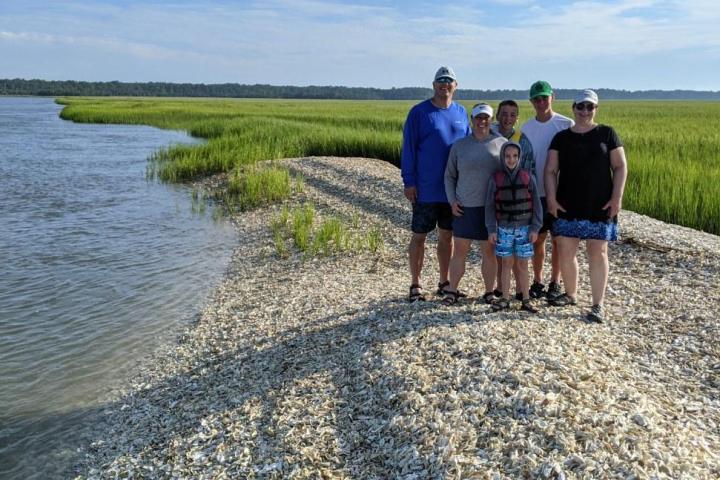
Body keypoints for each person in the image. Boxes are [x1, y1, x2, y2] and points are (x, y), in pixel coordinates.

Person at [544, 89, 628, 323]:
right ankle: (571, 294)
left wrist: (617, 197)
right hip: (566, 203)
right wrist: (551, 199)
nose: (584, 111)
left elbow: (620, 167)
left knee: (598, 252)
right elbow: (550, 170)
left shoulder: (607, 134)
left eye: (589, 107)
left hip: (600, 204)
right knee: (566, 251)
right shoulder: (561, 138)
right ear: (573, 107)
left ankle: (597, 304)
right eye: (580, 106)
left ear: (596, 109)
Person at [401, 66, 472, 302]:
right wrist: (408, 181)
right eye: (440, 81)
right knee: (419, 236)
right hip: (425, 188)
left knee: (447, 237)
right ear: (434, 85)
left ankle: (444, 281)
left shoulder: (462, 113)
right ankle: (415, 284)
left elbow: (470, 148)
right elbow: (409, 149)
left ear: (456, 85)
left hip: (452, 191)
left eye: (449, 81)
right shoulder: (419, 113)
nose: (445, 84)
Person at [441, 103, 506, 306]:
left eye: (485, 117)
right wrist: (452, 200)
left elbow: (510, 174)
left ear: (491, 119)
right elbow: (449, 176)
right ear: (472, 120)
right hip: (464, 207)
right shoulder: (459, 146)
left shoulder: (501, 144)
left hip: (489, 209)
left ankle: (488, 292)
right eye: (478, 118)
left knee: (489, 252)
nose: (482, 122)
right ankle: (451, 290)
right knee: (460, 250)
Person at [521, 80, 574, 300]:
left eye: (544, 97)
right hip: (536, 194)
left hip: (562, 194)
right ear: (531, 101)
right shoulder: (526, 128)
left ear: (553, 97)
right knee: (538, 239)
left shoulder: (566, 124)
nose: (541, 102)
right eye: (537, 98)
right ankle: (538, 280)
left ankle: (556, 282)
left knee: (559, 240)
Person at [485, 141, 542, 313]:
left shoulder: (528, 177)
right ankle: (505, 298)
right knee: (506, 263)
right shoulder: (496, 179)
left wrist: (535, 228)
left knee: (523, 264)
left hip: (525, 229)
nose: (511, 160)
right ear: (502, 157)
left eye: (515, 156)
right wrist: (491, 230)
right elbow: (489, 207)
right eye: (507, 156)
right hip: (503, 228)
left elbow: (537, 205)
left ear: (519, 157)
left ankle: (526, 298)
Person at [492, 100, 536, 300]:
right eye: (504, 113)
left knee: (521, 258)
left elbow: (529, 173)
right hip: (498, 203)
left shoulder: (523, 140)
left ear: (517, 118)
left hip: (519, 210)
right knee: (503, 255)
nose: (507, 118)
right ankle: (502, 290)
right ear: (497, 115)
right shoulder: (490, 137)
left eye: (512, 114)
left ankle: (521, 291)